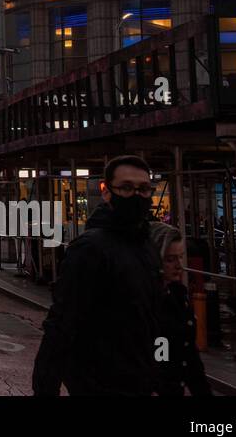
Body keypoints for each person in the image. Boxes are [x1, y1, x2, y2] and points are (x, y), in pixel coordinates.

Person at [32, 154, 161, 396]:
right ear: (106, 191)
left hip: (139, 385)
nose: (136, 195)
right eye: (126, 188)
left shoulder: (148, 247)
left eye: (144, 189)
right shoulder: (89, 248)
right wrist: (44, 389)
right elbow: (61, 323)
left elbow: (154, 321)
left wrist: (161, 375)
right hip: (97, 385)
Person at [149, 222, 212, 397]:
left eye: (181, 257)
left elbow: (191, 358)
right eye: (170, 259)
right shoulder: (146, 302)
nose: (179, 265)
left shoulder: (179, 296)